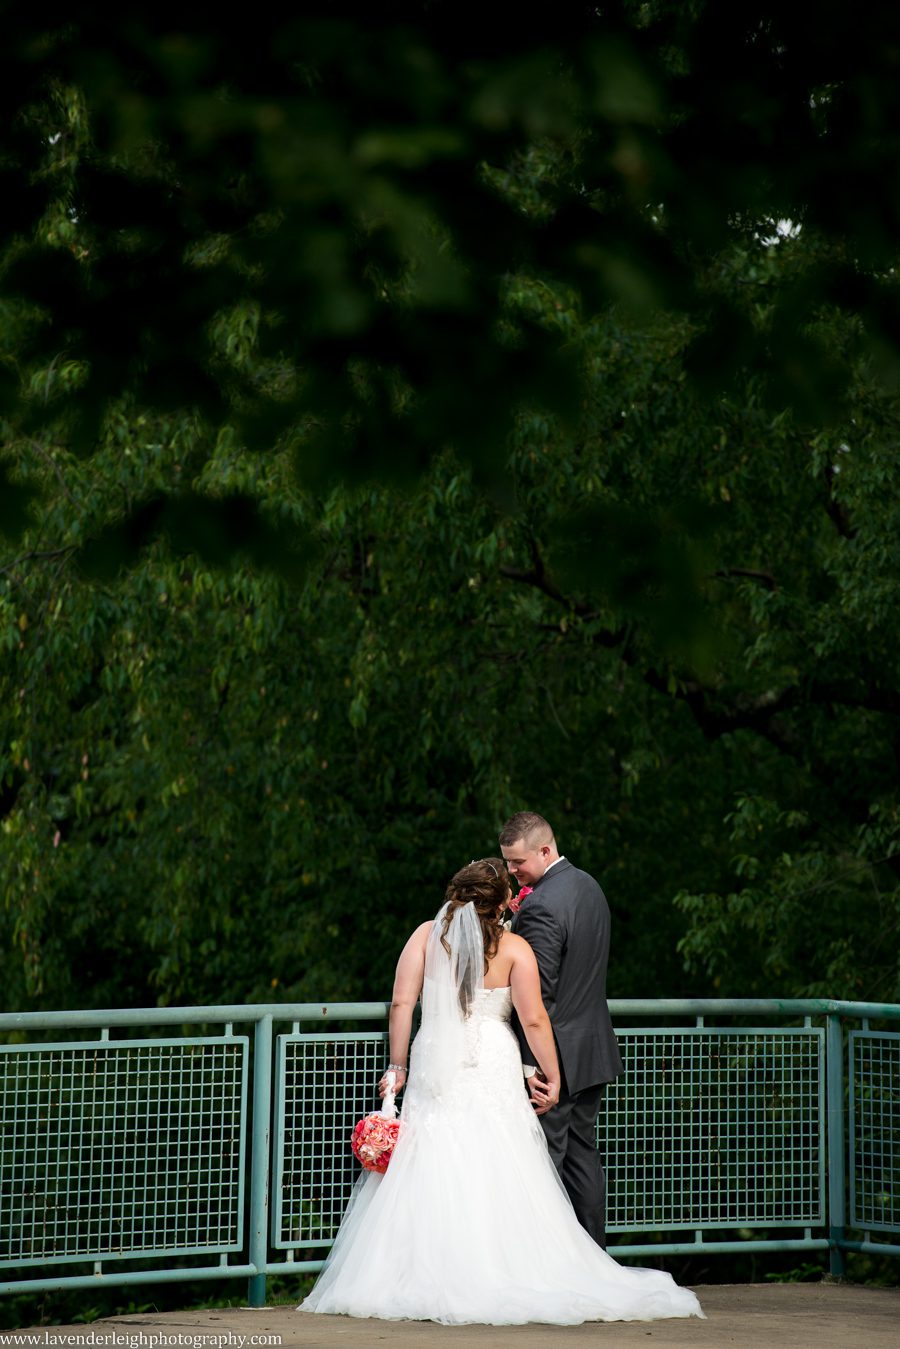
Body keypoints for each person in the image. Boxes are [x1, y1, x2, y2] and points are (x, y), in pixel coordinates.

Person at [299, 858, 702, 1326]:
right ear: (504, 903)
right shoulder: (515, 949)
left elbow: (402, 1003)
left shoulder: (425, 936)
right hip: (492, 1057)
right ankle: (505, 1267)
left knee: (433, 1153)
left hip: (435, 1058)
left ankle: (427, 1271)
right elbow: (534, 1020)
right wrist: (549, 1076)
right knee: (500, 1153)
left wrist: (398, 1064)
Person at [499, 810, 622, 1248]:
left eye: (518, 863)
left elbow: (541, 995)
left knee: (545, 1161)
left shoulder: (541, 906)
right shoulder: (589, 885)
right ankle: (594, 1258)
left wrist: (533, 1067)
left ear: (545, 850)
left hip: (556, 1060)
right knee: (582, 1157)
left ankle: (548, 1262)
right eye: (508, 863)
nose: (513, 873)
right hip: (591, 1049)